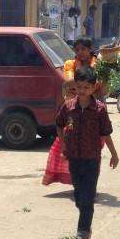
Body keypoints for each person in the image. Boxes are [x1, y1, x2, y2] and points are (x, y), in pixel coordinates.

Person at [54, 65, 119, 239]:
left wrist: (114, 154)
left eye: (86, 88)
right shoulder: (68, 107)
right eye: (79, 87)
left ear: (93, 88)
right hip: (74, 159)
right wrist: (64, 146)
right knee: (79, 197)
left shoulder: (99, 109)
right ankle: (86, 227)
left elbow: (105, 133)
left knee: (88, 199)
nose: (82, 91)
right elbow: (59, 124)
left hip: (92, 159)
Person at [43, 38, 99, 186]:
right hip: (73, 110)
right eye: (77, 50)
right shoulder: (69, 64)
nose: (80, 53)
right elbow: (68, 82)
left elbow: (101, 87)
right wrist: (88, 84)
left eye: (83, 49)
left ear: (90, 49)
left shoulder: (99, 64)